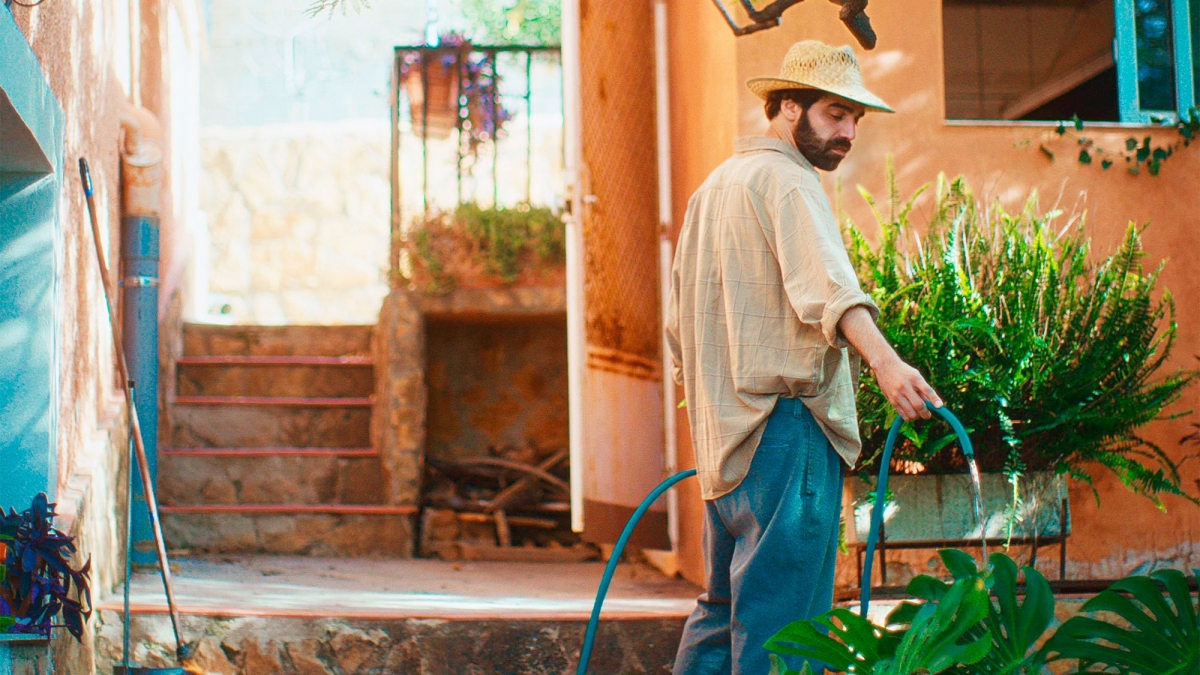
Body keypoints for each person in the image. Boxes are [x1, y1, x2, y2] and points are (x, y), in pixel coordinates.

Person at [666, 40, 943, 674]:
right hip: (786, 433)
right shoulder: (789, 180)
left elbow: (678, 326)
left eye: (855, 119)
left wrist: (714, 415)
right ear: (789, 107)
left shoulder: (712, 189)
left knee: (719, 612)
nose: (848, 132)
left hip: (723, 438)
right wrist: (886, 362)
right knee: (788, 629)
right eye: (835, 114)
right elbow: (832, 291)